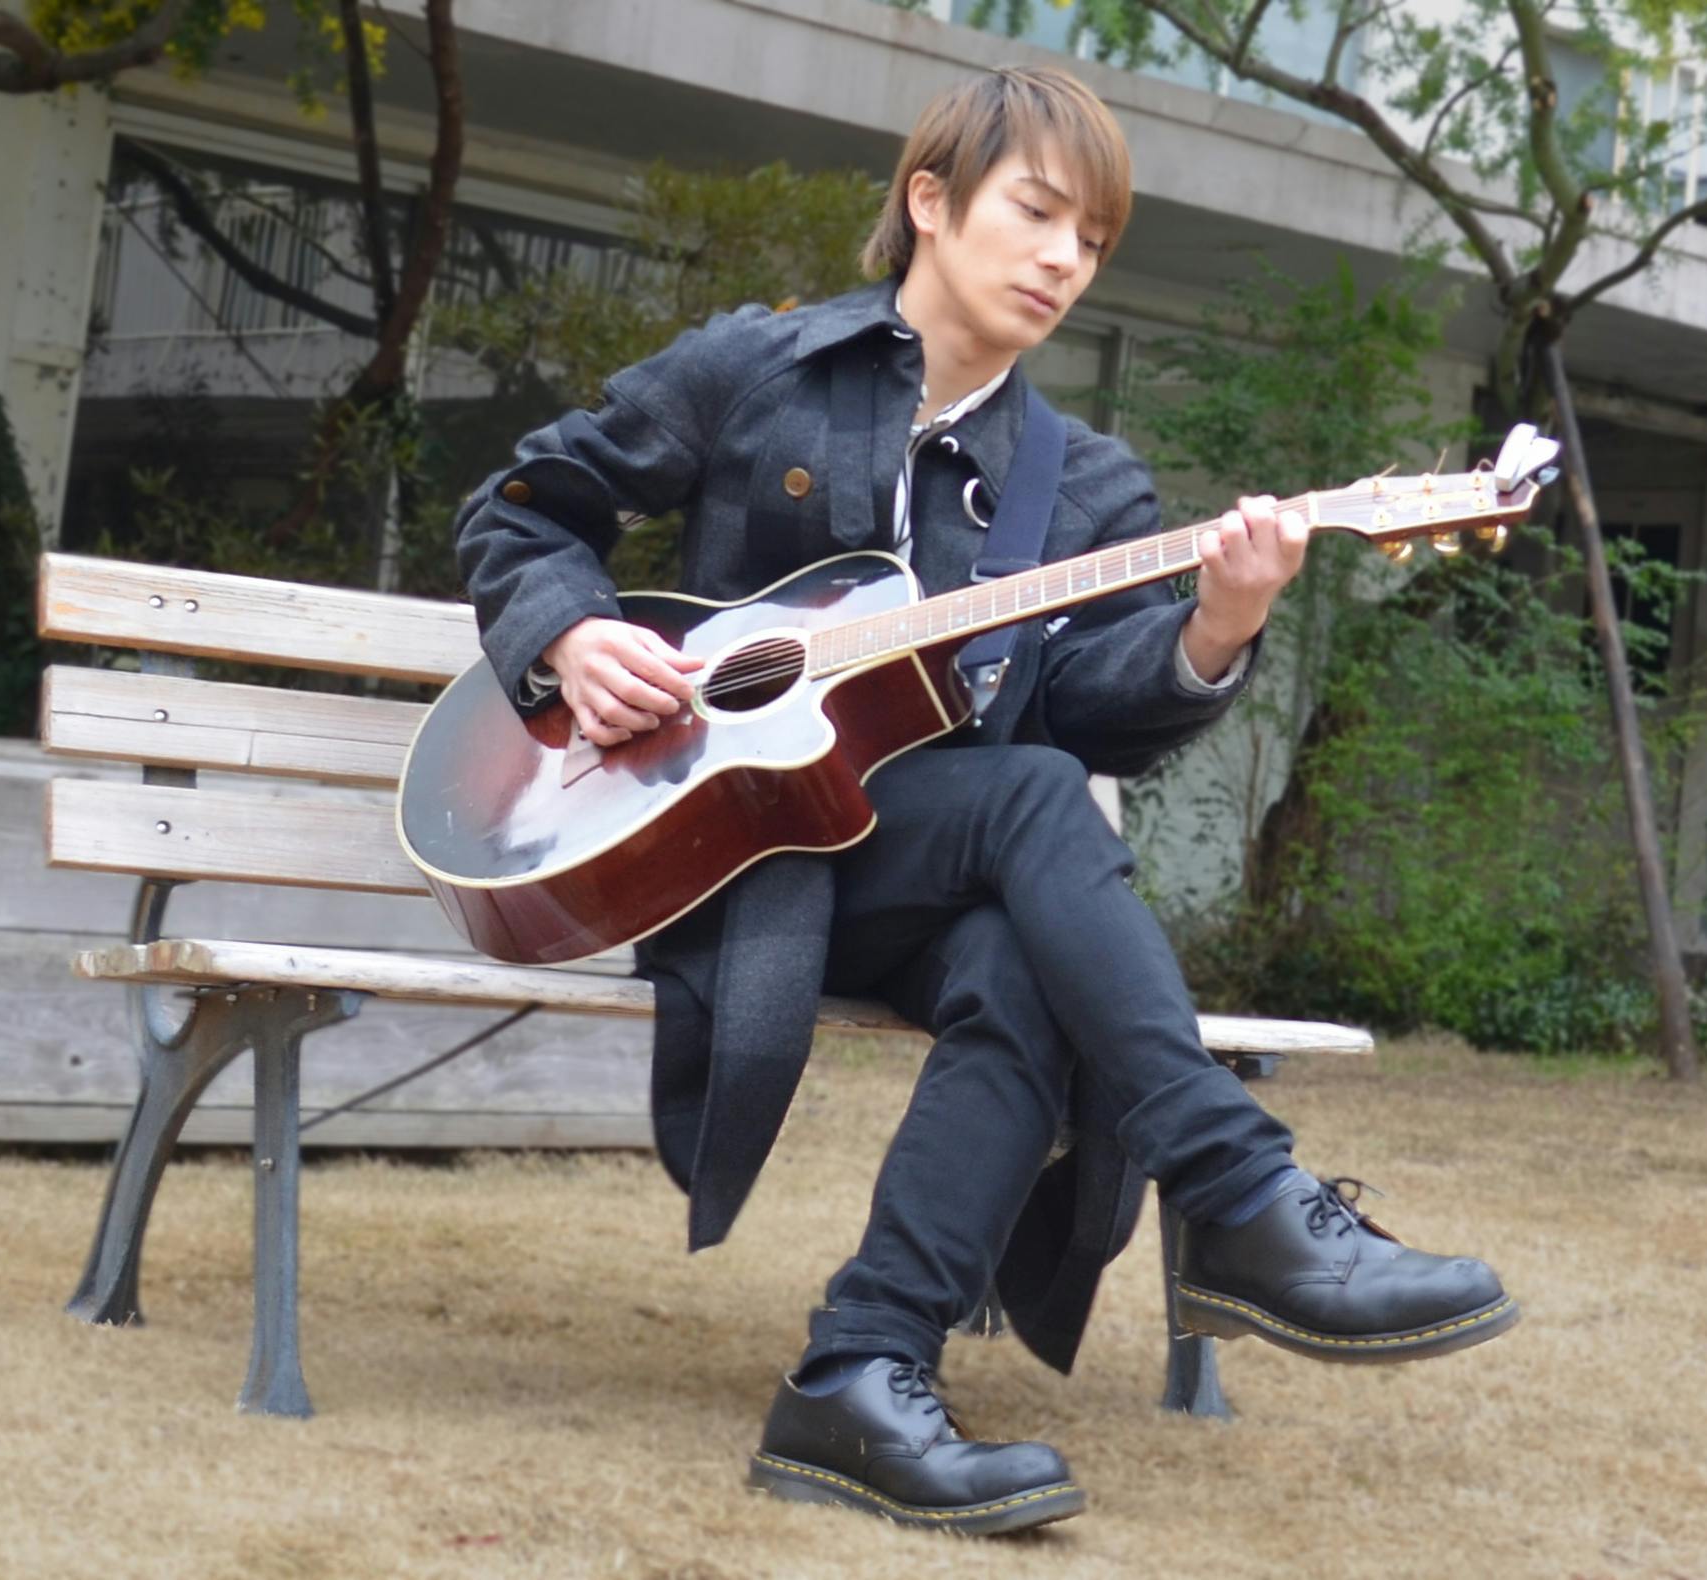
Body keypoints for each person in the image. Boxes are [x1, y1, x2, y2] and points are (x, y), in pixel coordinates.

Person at [450, 64, 1517, 1537]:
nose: (1066, 259)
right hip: (725, 858)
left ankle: (858, 1372)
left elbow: (1091, 712)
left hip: (915, 878)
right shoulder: (758, 369)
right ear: (932, 203)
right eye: (1038, 213)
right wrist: (573, 636)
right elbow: (520, 509)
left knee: (1024, 936)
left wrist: (1217, 629)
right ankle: (1236, 1197)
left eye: (1095, 239)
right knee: (1030, 807)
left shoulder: (1081, 488)